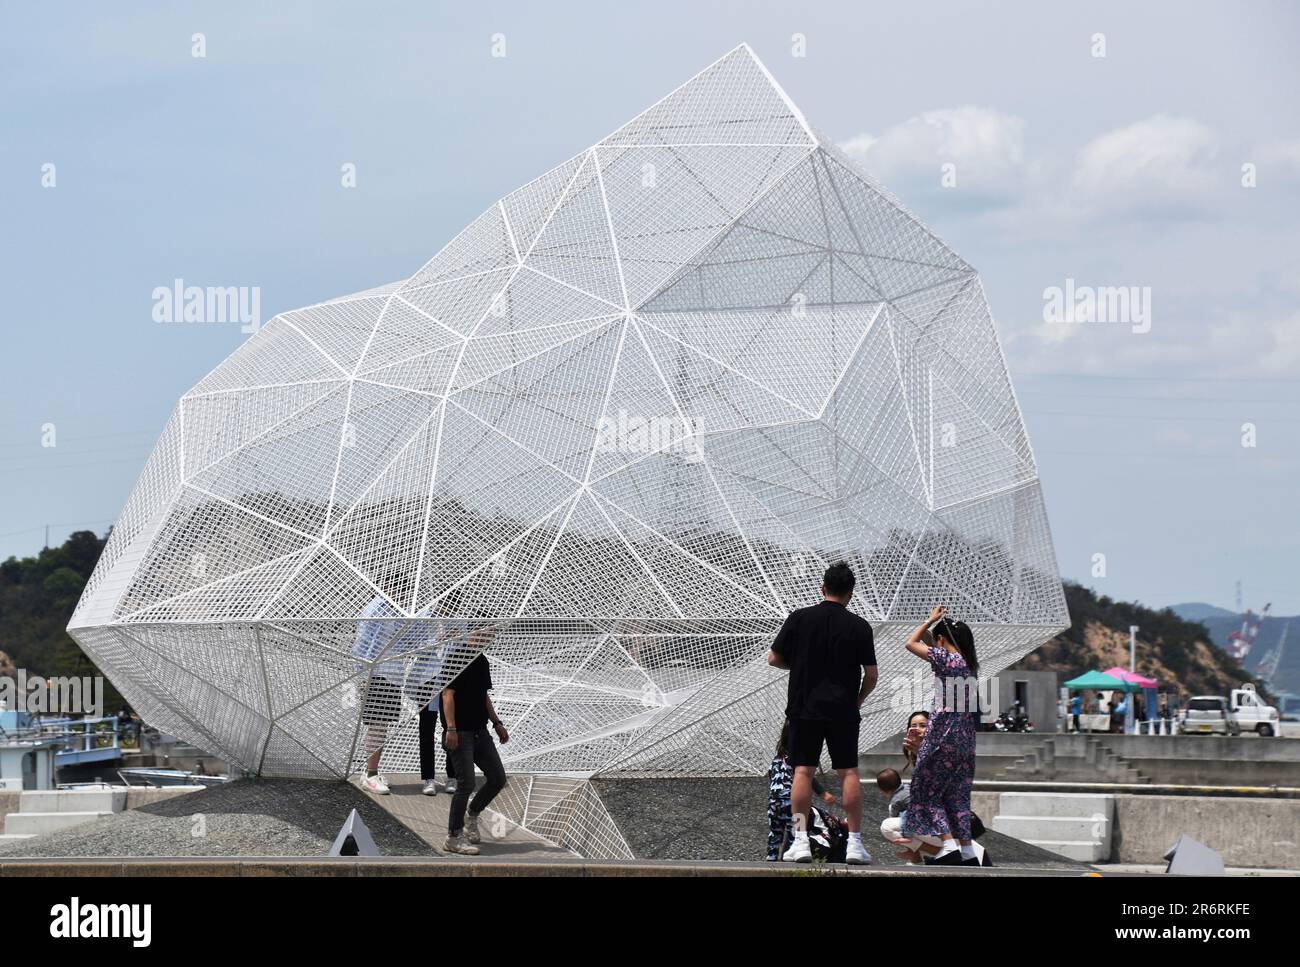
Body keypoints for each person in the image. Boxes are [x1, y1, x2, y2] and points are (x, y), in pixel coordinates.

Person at [766, 561, 878, 864]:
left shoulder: (800, 618)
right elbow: (871, 675)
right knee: (848, 772)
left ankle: (800, 840)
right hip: (843, 709)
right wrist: (858, 700)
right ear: (850, 593)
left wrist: (801, 666)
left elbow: (774, 658)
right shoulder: (859, 626)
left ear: (822, 587)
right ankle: (855, 843)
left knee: (803, 770)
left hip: (804, 708)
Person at [902, 604, 980, 866]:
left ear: (942, 640)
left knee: (926, 790)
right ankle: (967, 850)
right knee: (956, 796)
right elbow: (930, 647)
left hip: (943, 737)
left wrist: (929, 619)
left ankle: (948, 844)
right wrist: (935, 631)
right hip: (965, 741)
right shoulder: (968, 665)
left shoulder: (946, 660)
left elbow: (910, 643)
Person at [442, 646, 509, 856]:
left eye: (489, 634)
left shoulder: (481, 660)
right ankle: (453, 837)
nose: (485, 637)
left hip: (480, 731)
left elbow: (483, 696)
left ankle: (472, 814)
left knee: (498, 778)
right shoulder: (457, 657)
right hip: (460, 732)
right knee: (466, 784)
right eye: (481, 632)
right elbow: (447, 694)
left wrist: (496, 722)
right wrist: (451, 728)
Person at [766, 720, 837, 861]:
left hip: (773, 803)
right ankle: (794, 853)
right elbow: (808, 779)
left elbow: (771, 776)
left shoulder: (776, 760)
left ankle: (771, 857)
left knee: (775, 833)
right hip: (791, 803)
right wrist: (823, 793)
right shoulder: (799, 759)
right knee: (796, 830)